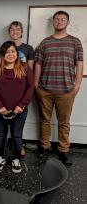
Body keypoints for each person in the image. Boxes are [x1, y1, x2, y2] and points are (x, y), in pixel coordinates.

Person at [34, 11, 84, 166]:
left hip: (66, 91)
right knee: (45, 120)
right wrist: (36, 85)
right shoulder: (44, 43)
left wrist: (77, 86)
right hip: (45, 90)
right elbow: (38, 64)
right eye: (57, 19)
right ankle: (45, 146)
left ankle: (63, 150)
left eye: (63, 19)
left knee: (64, 122)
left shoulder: (75, 42)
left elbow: (80, 64)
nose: (59, 21)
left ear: (67, 23)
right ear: (53, 22)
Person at [0, 41, 34, 173]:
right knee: (1, 135)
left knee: (16, 135)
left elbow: (30, 88)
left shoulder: (24, 68)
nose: (10, 54)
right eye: (7, 51)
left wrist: (22, 105)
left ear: (17, 54)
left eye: (13, 51)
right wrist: (0, 106)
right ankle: (1, 157)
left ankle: (15, 158)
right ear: (2, 54)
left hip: (19, 110)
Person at [8, 20, 35, 156]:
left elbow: (30, 70)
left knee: (18, 122)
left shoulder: (28, 49)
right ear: (9, 32)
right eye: (12, 29)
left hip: (22, 90)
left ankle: (18, 146)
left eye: (17, 29)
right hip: (7, 90)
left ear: (22, 32)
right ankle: (3, 145)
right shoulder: (5, 47)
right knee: (4, 120)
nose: (15, 32)